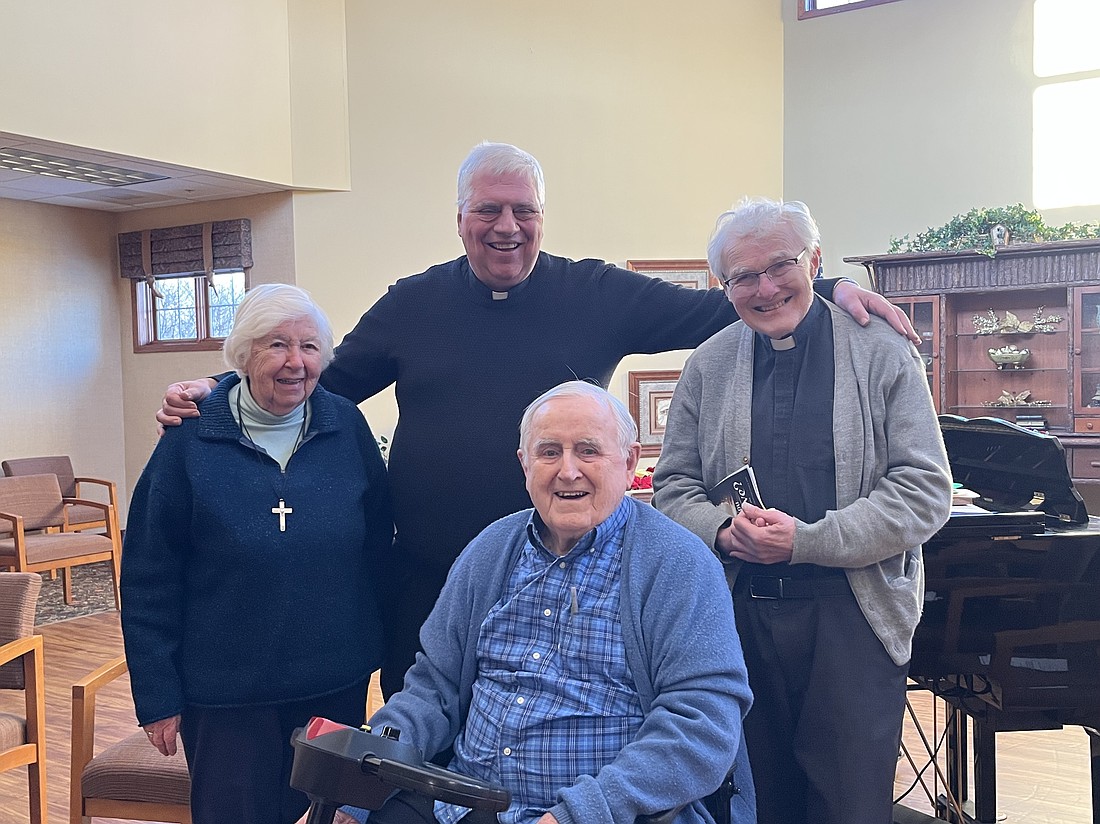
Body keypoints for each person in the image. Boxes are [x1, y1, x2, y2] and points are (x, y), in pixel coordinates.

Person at [158, 142, 918, 697]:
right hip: (428, 580)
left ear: (543, 217)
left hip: (566, 580)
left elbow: (737, 298)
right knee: (422, 748)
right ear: (459, 218)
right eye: (488, 210)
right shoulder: (411, 303)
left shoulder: (598, 294)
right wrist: (229, 384)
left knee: (550, 735)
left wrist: (837, 285)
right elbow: (324, 382)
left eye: (523, 210)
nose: (506, 226)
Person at [652, 197, 953, 824]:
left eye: (781, 266)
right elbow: (672, 488)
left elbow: (926, 489)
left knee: (848, 807)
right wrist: (721, 531)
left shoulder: (881, 352)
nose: (765, 289)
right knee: (754, 803)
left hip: (852, 617)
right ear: (724, 285)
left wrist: (806, 541)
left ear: (814, 262)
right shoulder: (707, 367)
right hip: (736, 621)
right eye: (743, 277)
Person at [329, 380, 754, 824]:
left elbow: (701, 724)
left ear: (629, 463)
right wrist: (357, 787)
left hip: (614, 814)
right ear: (525, 465)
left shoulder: (678, 565)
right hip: (464, 804)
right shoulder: (490, 551)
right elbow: (433, 689)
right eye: (549, 452)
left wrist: (578, 814)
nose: (567, 471)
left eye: (588, 451)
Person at [121, 284, 394, 824]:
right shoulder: (190, 438)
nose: (296, 361)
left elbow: (378, 543)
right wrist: (157, 695)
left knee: (326, 818)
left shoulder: (346, 425)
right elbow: (150, 574)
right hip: (225, 697)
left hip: (333, 685)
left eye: (310, 347)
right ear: (243, 355)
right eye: (276, 345)